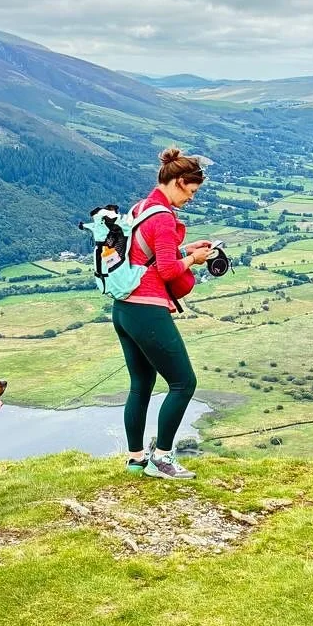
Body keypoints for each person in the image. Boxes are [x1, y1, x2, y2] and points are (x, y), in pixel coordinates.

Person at [113, 147, 213, 478]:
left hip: (123, 308)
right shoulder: (165, 217)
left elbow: (149, 255)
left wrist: (185, 248)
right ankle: (164, 458)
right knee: (184, 382)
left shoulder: (142, 208)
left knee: (141, 383)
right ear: (181, 182)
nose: (192, 199)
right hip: (147, 309)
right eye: (193, 191)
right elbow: (169, 271)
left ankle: (136, 460)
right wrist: (194, 260)